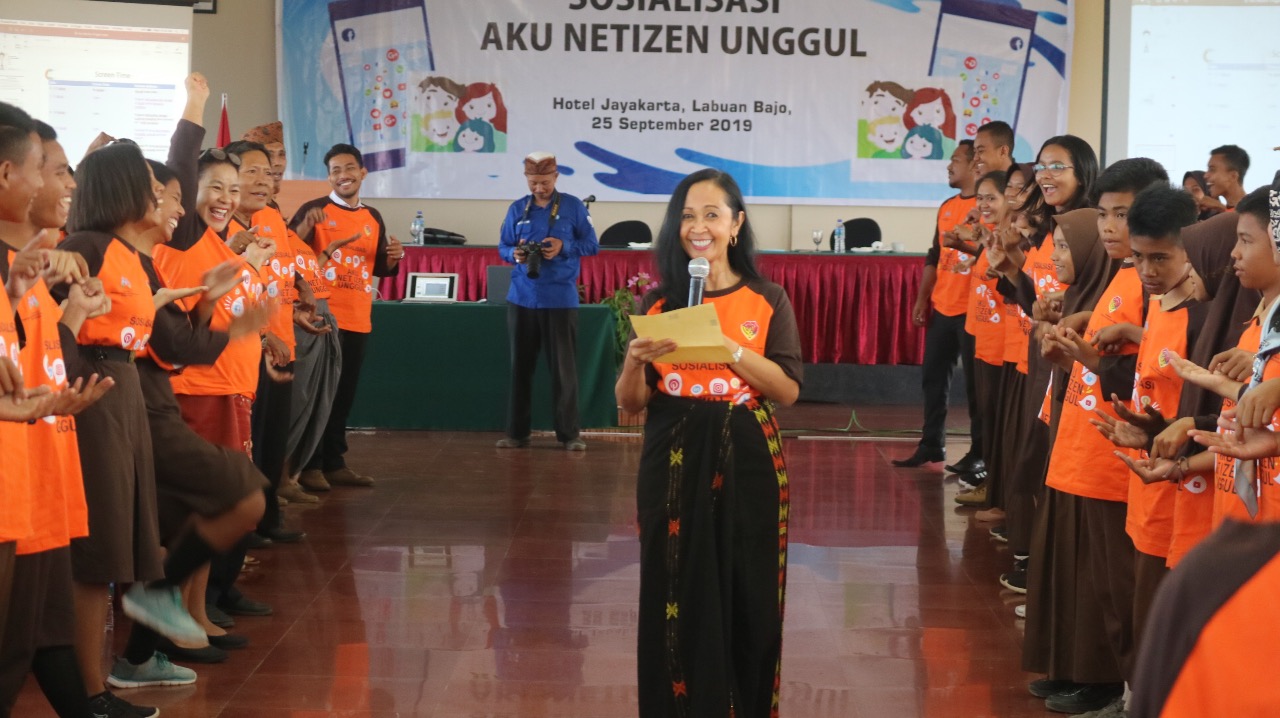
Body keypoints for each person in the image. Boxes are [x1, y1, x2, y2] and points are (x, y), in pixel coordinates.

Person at [615, 168, 802, 718]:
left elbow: (788, 390)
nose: (699, 227)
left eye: (712, 215)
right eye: (687, 217)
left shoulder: (767, 298)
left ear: (736, 225)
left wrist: (729, 348)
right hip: (673, 461)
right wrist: (633, 363)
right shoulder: (660, 305)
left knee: (749, 593)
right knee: (675, 587)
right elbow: (630, 404)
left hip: (748, 459)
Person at [289, 143, 403, 487]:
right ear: (329, 177)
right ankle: (309, 466)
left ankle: (334, 462)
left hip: (358, 316)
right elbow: (289, 254)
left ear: (363, 173)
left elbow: (380, 265)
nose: (343, 175)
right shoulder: (314, 210)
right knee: (318, 394)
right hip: (322, 317)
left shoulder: (373, 217)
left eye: (349, 168)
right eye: (335, 170)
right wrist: (304, 229)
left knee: (343, 394)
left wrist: (393, 258)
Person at [496, 151, 599, 451]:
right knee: (520, 368)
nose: (539, 188)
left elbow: (592, 245)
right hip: (522, 298)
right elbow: (503, 246)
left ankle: (569, 435)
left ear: (556, 177)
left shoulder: (573, 207)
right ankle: (517, 433)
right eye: (533, 183)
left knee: (564, 371)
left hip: (560, 299)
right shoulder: (517, 208)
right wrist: (513, 254)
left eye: (544, 182)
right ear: (526, 179)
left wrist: (564, 246)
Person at [896, 140, 980, 470]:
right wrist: (922, 299)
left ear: (974, 165)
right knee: (933, 379)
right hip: (943, 307)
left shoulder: (988, 207)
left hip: (973, 310)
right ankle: (931, 443)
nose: (949, 166)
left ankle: (979, 453)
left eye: (956, 160)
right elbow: (935, 256)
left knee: (975, 387)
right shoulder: (946, 206)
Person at [1201, 144, 1249, 213]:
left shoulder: (1258, 209)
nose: (1205, 176)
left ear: (1233, 176)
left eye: (1212, 169)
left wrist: (1220, 207)